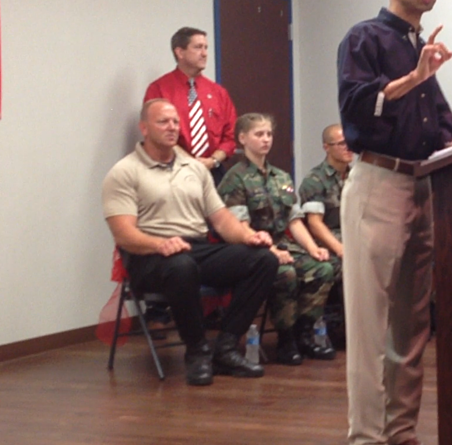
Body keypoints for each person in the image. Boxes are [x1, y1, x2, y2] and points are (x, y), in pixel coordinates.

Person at [337, 0, 452, 445]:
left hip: (422, 187)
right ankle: (366, 438)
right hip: (378, 185)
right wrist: (414, 77)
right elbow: (358, 109)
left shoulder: (419, 44)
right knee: (369, 331)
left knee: (411, 329)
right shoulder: (364, 38)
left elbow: (438, 128)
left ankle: (401, 434)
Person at [101, 99, 278, 386]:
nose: (172, 127)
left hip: (195, 247)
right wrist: (160, 244)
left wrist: (249, 236)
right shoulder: (125, 172)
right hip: (148, 255)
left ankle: (226, 348)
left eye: (175, 121)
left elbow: (221, 220)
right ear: (144, 128)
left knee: (262, 260)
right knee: (182, 266)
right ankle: (197, 352)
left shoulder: (194, 168)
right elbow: (123, 234)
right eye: (163, 122)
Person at [217, 113, 339, 365]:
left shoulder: (281, 177)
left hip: (281, 245)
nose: (265, 139)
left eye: (269, 134)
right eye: (258, 134)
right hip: (250, 249)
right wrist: (271, 250)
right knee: (286, 273)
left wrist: (313, 248)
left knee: (323, 267)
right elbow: (239, 227)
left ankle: (303, 334)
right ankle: (286, 340)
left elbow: (295, 221)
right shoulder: (235, 178)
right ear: (242, 138)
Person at [144, 27, 238, 186]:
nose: (204, 53)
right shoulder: (159, 89)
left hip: (212, 173)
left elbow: (230, 135)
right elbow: (154, 133)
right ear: (180, 52)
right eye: (198, 47)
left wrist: (213, 160)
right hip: (171, 172)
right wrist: (189, 163)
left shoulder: (218, 92)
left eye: (206, 48)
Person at [300, 124, 353, 259]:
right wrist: (340, 249)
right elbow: (315, 223)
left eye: (350, 141)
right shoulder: (315, 180)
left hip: (353, 236)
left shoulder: (356, 177)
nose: (348, 147)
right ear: (326, 148)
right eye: (342, 143)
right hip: (328, 240)